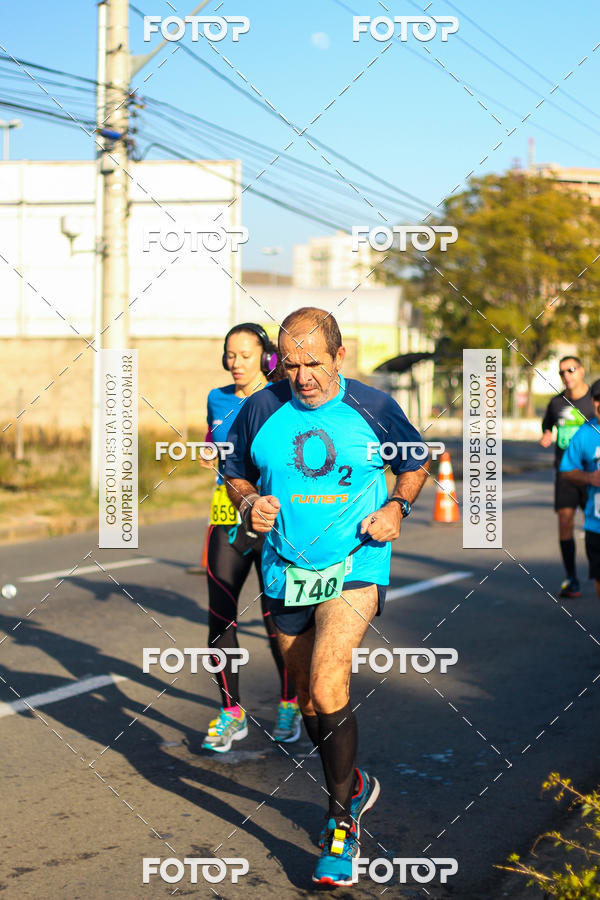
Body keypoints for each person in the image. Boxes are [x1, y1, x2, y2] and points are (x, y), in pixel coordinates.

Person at [224, 307, 428, 885]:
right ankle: (354, 785)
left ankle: (341, 826)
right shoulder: (261, 407)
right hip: (285, 565)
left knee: (326, 682)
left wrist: (397, 507)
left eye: (313, 362)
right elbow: (232, 467)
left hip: (356, 559)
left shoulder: (374, 407)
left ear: (340, 357)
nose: (303, 376)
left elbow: (415, 460)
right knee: (309, 703)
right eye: (290, 365)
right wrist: (247, 503)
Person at [200, 323, 301, 753]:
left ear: (266, 358)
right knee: (220, 617)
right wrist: (208, 449)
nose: (234, 363)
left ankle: (290, 703)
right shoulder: (217, 398)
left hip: (277, 520)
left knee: (279, 622)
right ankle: (231, 713)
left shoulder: (284, 400)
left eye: (243, 355)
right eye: (229, 354)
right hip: (228, 516)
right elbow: (216, 438)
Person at [541, 356, 595, 598]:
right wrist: (546, 435)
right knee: (565, 522)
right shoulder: (556, 403)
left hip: (594, 474)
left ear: (581, 371)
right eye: (562, 372)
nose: (567, 375)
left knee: (595, 526)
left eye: (571, 370)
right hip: (567, 472)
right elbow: (547, 424)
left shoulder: (594, 401)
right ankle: (571, 578)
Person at [560, 378, 600, 600]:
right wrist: (589, 477)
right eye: (597, 398)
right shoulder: (585, 434)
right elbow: (567, 470)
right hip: (596, 524)